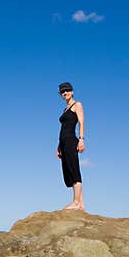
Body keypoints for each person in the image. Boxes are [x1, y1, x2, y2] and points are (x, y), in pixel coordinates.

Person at [56, 81, 85, 210]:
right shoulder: (65, 109)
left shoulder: (77, 105)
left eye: (67, 90)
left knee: (74, 169)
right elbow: (63, 128)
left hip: (71, 141)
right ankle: (81, 204)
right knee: (68, 170)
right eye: (62, 91)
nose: (65, 93)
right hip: (63, 143)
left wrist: (81, 139)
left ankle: (76, 202)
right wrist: (59, 146)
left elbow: (81, 122)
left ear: (72, 91)